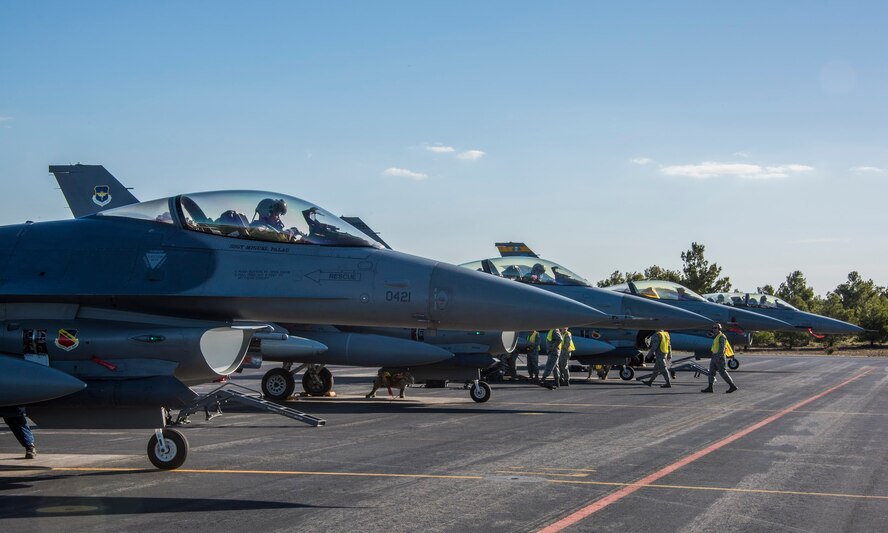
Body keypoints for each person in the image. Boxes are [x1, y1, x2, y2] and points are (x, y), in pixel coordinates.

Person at [701, 323, 738, 393]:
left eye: (715, 328)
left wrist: (719, 356)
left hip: (719, 357)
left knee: (722, 372)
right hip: (714, 356)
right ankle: (710, 387)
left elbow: (722, 347)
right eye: (713, 328)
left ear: (719, 329)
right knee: (711, 372)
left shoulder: (721, 336)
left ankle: (732, 386)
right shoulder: (717, 336)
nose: (713, 329)